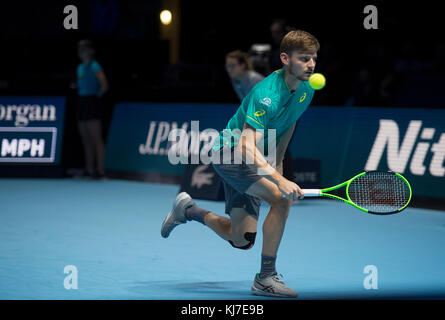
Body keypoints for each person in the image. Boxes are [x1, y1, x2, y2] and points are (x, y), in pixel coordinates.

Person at [162, 30, 319, 298]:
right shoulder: (266, 93)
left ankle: (187, 210)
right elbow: (245, 146)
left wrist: (278, 165)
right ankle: (265, 278)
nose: (312, 65)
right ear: (285, 58)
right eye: (304, 59)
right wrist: (279, 181)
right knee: (281, 201)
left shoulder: (306, 88)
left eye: (314, 58)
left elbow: (289, 123)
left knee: (241, 239)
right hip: (229, 153)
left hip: (254, 158)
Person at [76, 39, 109, 179]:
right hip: (82, 103)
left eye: (84, 48)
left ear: (90, 50)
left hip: (92, 102)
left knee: (96, 139)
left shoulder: (95, 66)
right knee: (86, 139)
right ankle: (89, 169)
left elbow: (104, 84)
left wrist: (96, 96)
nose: (82, 51)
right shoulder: (79, 67)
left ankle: (100, 170)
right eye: (80, 49)